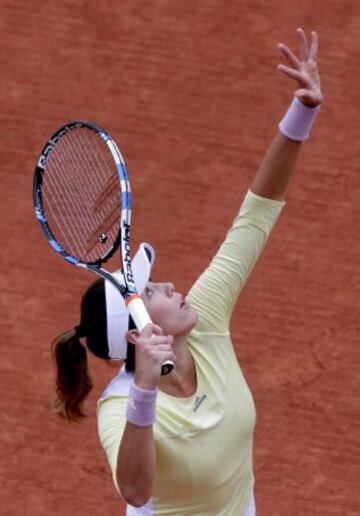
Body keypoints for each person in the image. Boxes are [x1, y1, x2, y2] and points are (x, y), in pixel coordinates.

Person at [51, 28, 323, 515]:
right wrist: (145, 392)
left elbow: (255, 215)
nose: (173, 285)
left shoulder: (206, 316)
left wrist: (302, 111)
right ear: (140, 332)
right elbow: (135, 491)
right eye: (153, 288)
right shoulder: (120, 408)